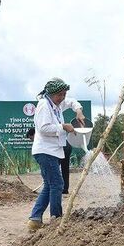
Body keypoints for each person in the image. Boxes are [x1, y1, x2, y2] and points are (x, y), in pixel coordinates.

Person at [27, 77, 85, 231]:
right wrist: (63, 127)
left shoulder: (56, 104)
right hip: (45, 151)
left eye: (64, 94)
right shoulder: (44, 105)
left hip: (51, 151)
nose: (63, 98)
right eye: (60, 95)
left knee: (49, 185)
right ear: (51, 94)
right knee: (57, 184)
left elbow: (72, 102)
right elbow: (44, 128)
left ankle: (35, 219)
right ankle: (56, 220)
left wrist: (78, 111)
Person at [26, 128, 72, 195]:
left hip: (62, 147)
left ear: (34, 134)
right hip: (66, 146)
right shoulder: (43, 135)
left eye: (31, 138)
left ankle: (56, 188)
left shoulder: (41, 137)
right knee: (63, 169)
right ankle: (64, 189)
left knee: (56, 170)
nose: (32, 140)